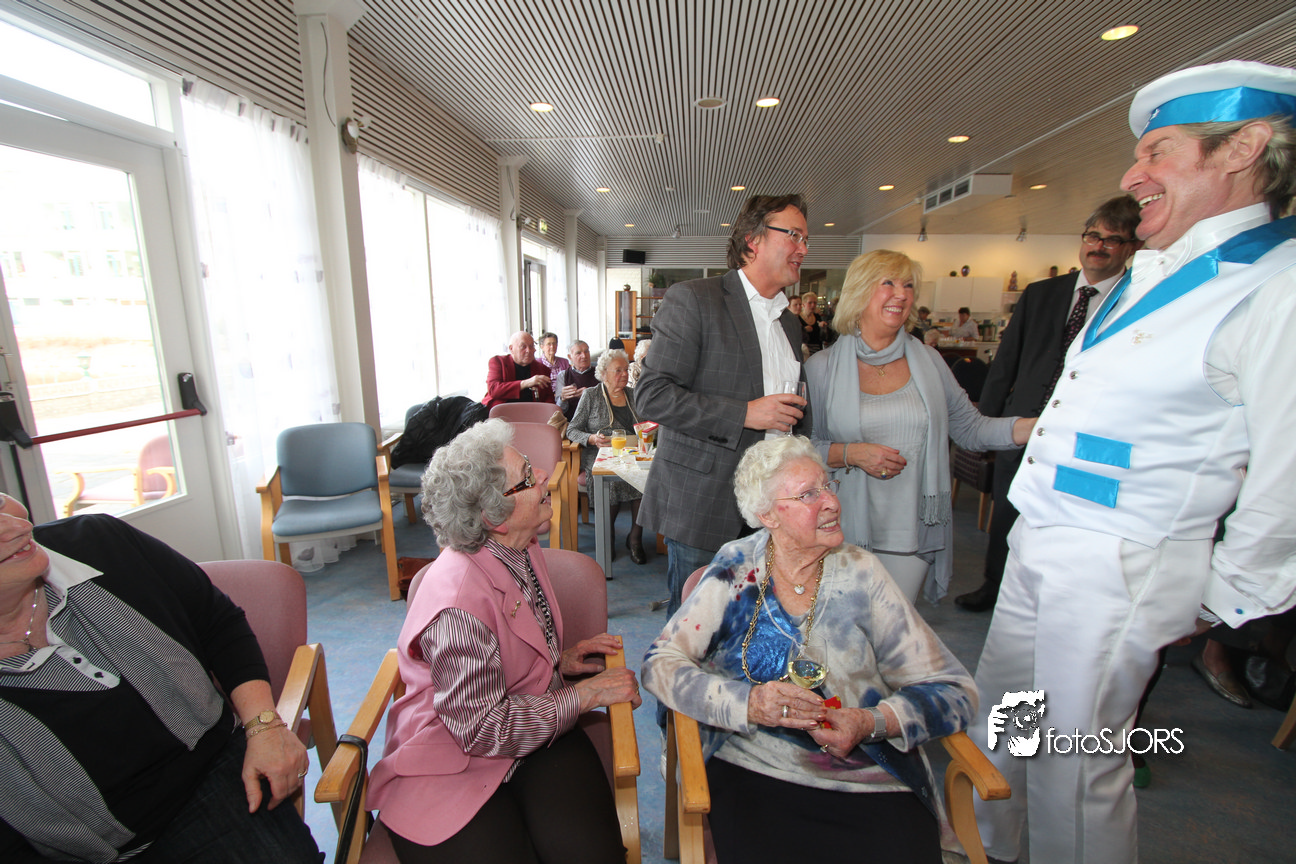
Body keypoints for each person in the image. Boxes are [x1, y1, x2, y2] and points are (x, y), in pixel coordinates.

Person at [970, 61, 1296, 864]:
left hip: (1120, 560)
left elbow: (1287, 468)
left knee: (1074, 762)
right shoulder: (1145, 273)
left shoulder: (1275, 283)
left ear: (1243, 148)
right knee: (1007, 719)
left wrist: (1230, 592)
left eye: (1158, 151)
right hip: (1043, 537)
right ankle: (993, 847)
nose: (1132, 175)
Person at [641, 436, 976, 862]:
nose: (831, 502)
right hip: (755, 766)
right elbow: (660, 664)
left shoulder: (862, 573)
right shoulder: (737, 568)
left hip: (868, 775)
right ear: (768, 515)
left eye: (828, 486)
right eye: (808, 494)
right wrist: (749, 703)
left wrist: (870, 721)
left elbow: (953, 690)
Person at [366, 419, 641, 863]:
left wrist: (555, 660)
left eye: (530, 465)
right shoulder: (456, 607)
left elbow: (509, 634)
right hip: (452, 756)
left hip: (529, 722)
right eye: (528, 477)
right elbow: (483, 729)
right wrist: (586, 695)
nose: (544, 476)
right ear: (494, 517)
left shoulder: (521, 544)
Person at [0, 494, 319, 863]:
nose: (19, 525)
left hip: (212, 773)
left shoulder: (98, 541)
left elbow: (216, 620)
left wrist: (265, 726)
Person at [805, 250, 1031, 604]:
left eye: (908, 285)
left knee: (893, 630)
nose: (901, 294)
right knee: (843, 632)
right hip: (840, 527)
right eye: (889, 283)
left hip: (911, 531)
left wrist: (1037, 428)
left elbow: (971, 428)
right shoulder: (822, 368)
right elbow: (803, 449)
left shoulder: (929, 361)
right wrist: (852, 453)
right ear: (860, 291)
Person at [955, 195, 1141, 613]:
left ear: (1132, 247)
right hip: (1021, 427)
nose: (1099, 246)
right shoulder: (1042, 294)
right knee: (1007, 511)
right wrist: (986, 429)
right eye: (1093, 236)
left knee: (1066, 520)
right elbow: (1005, 363)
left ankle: (1052, 598)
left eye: (1112, 240)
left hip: (1085, 435)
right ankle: (994, 584)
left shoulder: (1137, 299)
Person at [635, 193, 809, 627]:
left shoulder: (789, 322)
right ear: (753, 240)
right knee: (693, 632)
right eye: (794, 236)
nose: (804, 249)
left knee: (751, 628)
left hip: (770, 506)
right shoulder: (696, 299)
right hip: (704, 502)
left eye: (806, 239)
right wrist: (744, 414)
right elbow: (652, 395)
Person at [566, 349, 647, 565]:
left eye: (626, 370)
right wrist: (591, 438)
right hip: (600, 455)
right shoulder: (591, 396)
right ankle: (606, 536)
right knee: (610, 485)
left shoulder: (633, 395)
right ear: (603, 373)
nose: (624, 374)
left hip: (631, 455)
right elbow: (572, 429)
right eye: (618, 370)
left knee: (646, 481)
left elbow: (647, 424)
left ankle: (635, 538)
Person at [483, 331, 555, 408]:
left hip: (532, 411)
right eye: (523, 347)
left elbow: (549, 398)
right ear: (511, 349)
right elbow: (494, 390)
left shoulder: (542, 369)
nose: (528, 350)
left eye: (531, 346)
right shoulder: (499, 362)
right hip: (502, 410)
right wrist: (525, 383)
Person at [555, 340, 596, 420]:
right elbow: (559, 411)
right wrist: (563, 399)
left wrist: (590, 395)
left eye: (586, 351)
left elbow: (608, 404)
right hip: (570, 421)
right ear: (570, 357)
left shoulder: (600, 373)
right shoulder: (563, 375)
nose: (584, 356)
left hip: (595, 420)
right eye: (578, 353)